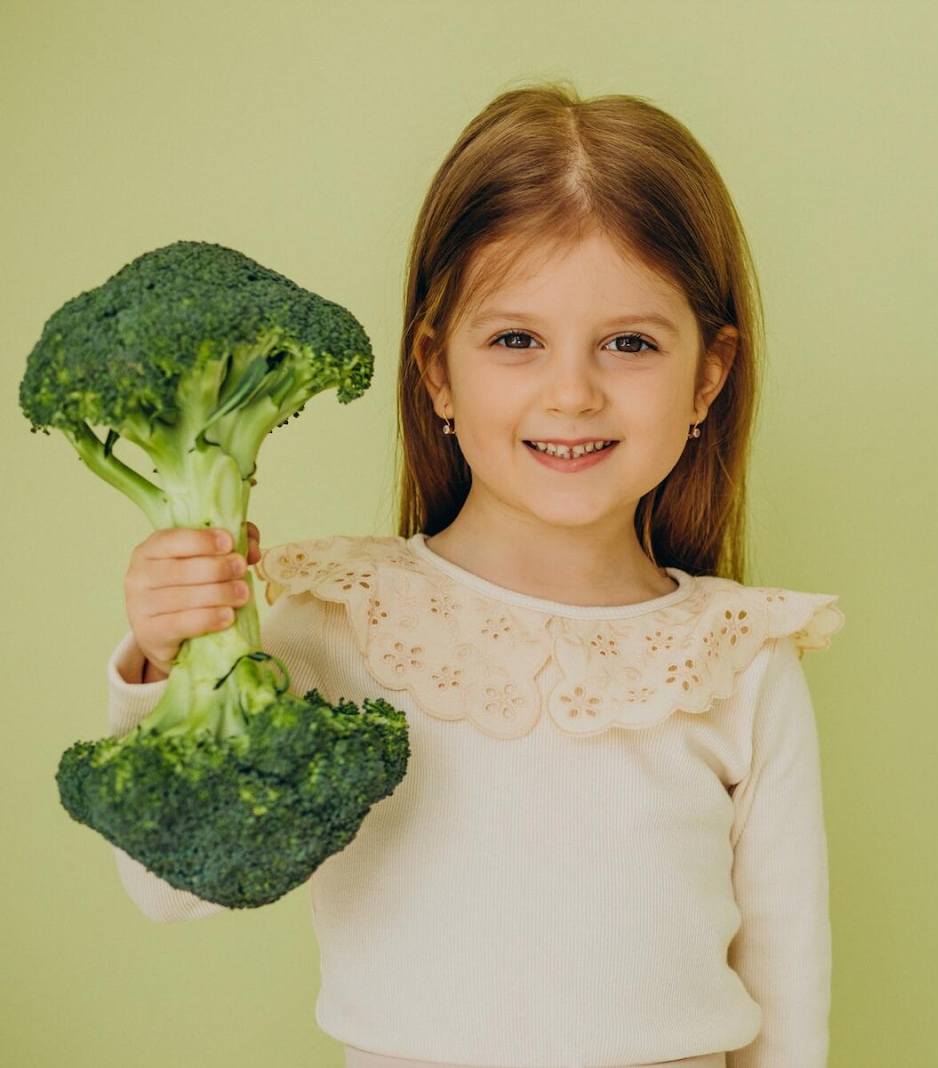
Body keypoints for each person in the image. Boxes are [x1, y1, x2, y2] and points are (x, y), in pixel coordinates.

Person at [106, 80, 844, 1068]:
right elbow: (176, 882)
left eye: (629, 343)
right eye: (515, 341)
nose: (572, 392)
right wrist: (167, 663)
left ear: (707, 376)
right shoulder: (341, 623)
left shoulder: (739, 662)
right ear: (437, 370)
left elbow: (787, 988)